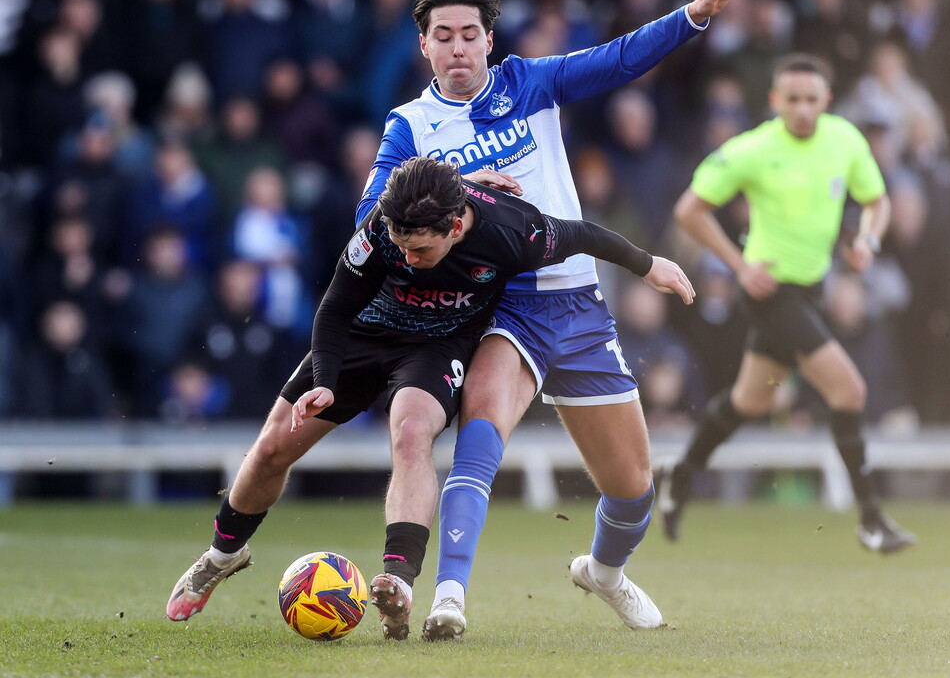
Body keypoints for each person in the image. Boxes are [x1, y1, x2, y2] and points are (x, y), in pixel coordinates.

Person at [356, 0, 755, 640]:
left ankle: (603, 572)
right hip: (501, 305)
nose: (457, 48)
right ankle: (448, 597)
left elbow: (617, 60)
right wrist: (454, 184)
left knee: (633, 491)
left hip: (578, 304)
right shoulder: (410, 128)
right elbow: (371, 215)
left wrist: (690, 17)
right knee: (481, 434)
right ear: (423, 45)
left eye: (469, 35)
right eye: (443, 36)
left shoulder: (529, 84)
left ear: (489, 41)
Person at [165, 156, 695, 637]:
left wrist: (649, 266)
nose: (409, 257)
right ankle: (221, 555)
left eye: (422, 249)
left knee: (412, 431)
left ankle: (397, 581)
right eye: (402, 245)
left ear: (457, 225)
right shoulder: (380, 231)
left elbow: (586, 235)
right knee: (274, 446)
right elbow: (333, 308)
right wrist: (325, 378)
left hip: (438, 344)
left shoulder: (515, 231)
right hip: (363, 335)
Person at [660, 53, 916, 554]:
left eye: (811, 99)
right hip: (770, 294)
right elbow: (689, 211)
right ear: (775, 101)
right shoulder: (752, 149)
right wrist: (739, 267)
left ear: (827, 101)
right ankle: (871, 519)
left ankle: (680, 479)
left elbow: (877, 202)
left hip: (810, 292)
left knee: (749, 401)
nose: (801, 108)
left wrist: (867, 241)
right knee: (850, 391)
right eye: (792, 99)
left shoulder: (844, 140)